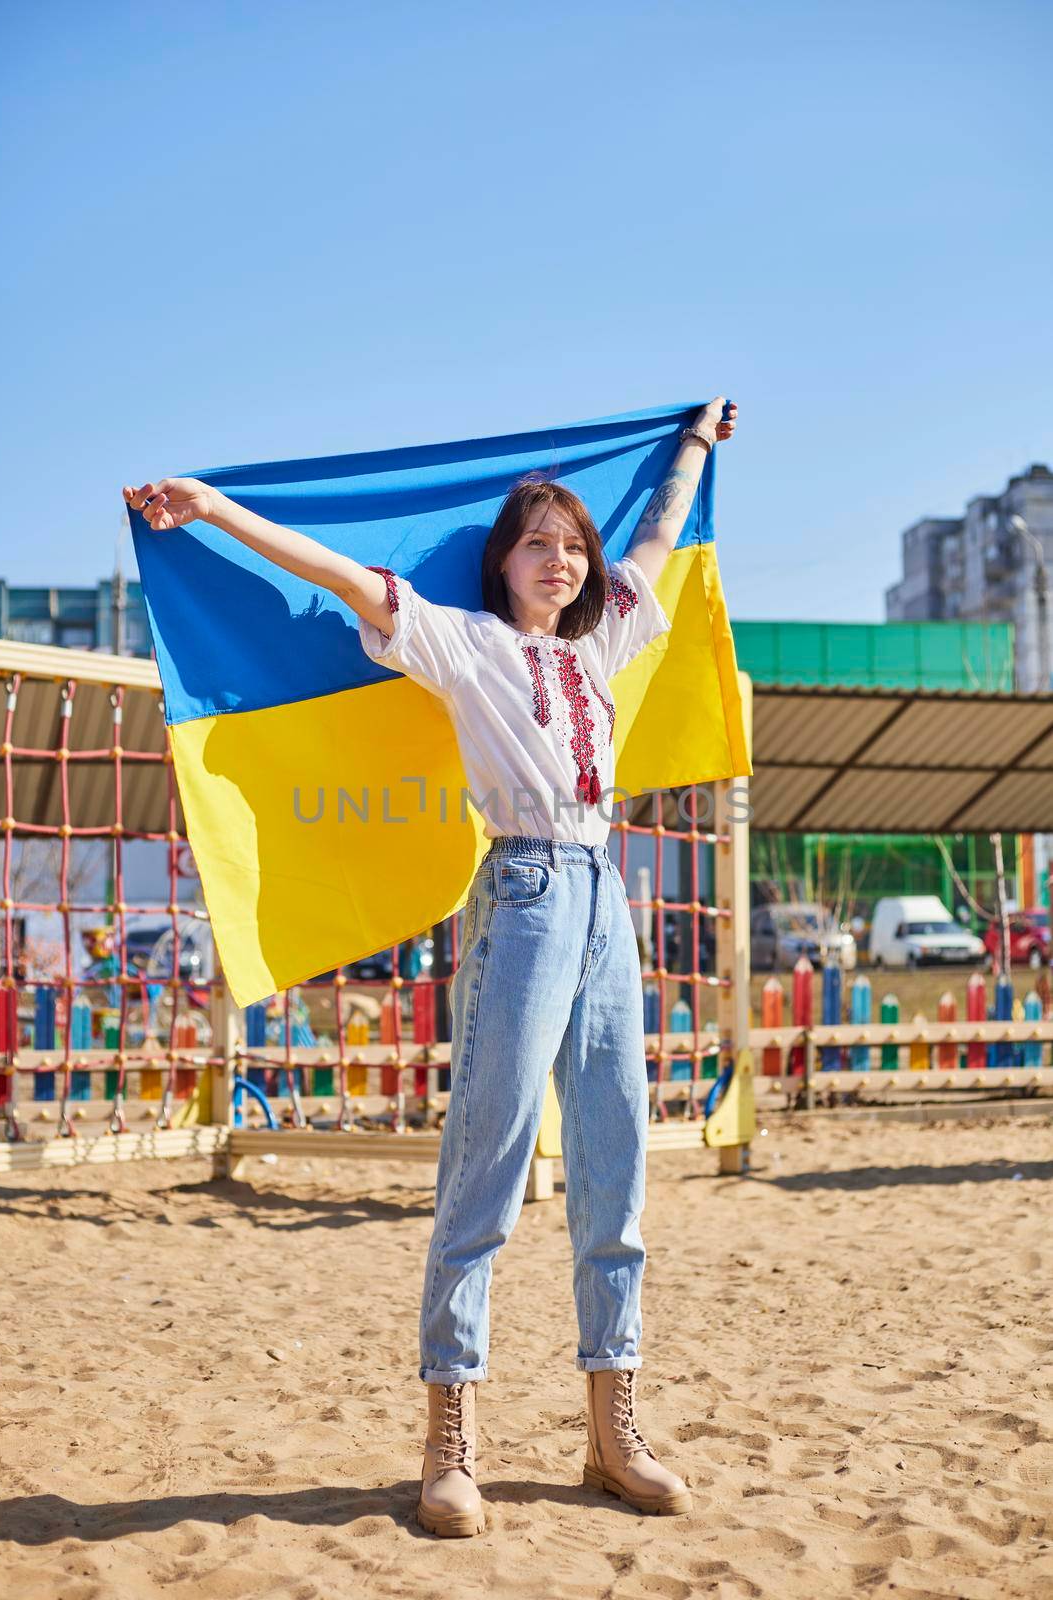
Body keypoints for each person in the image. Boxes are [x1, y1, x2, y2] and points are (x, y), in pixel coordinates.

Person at [123, 395, 739, 1538]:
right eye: (536, 543)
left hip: (609, 900)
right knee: (486, 1172)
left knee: (615, 1170)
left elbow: (654, 535)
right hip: (522, 894)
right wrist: (212, 509)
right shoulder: (467, 644)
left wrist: (694, 443)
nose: (559, 559)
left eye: (571, 545)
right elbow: (347, 578)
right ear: (500, 561)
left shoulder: (603, 639)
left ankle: (614, 1427)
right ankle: (448, 1438)